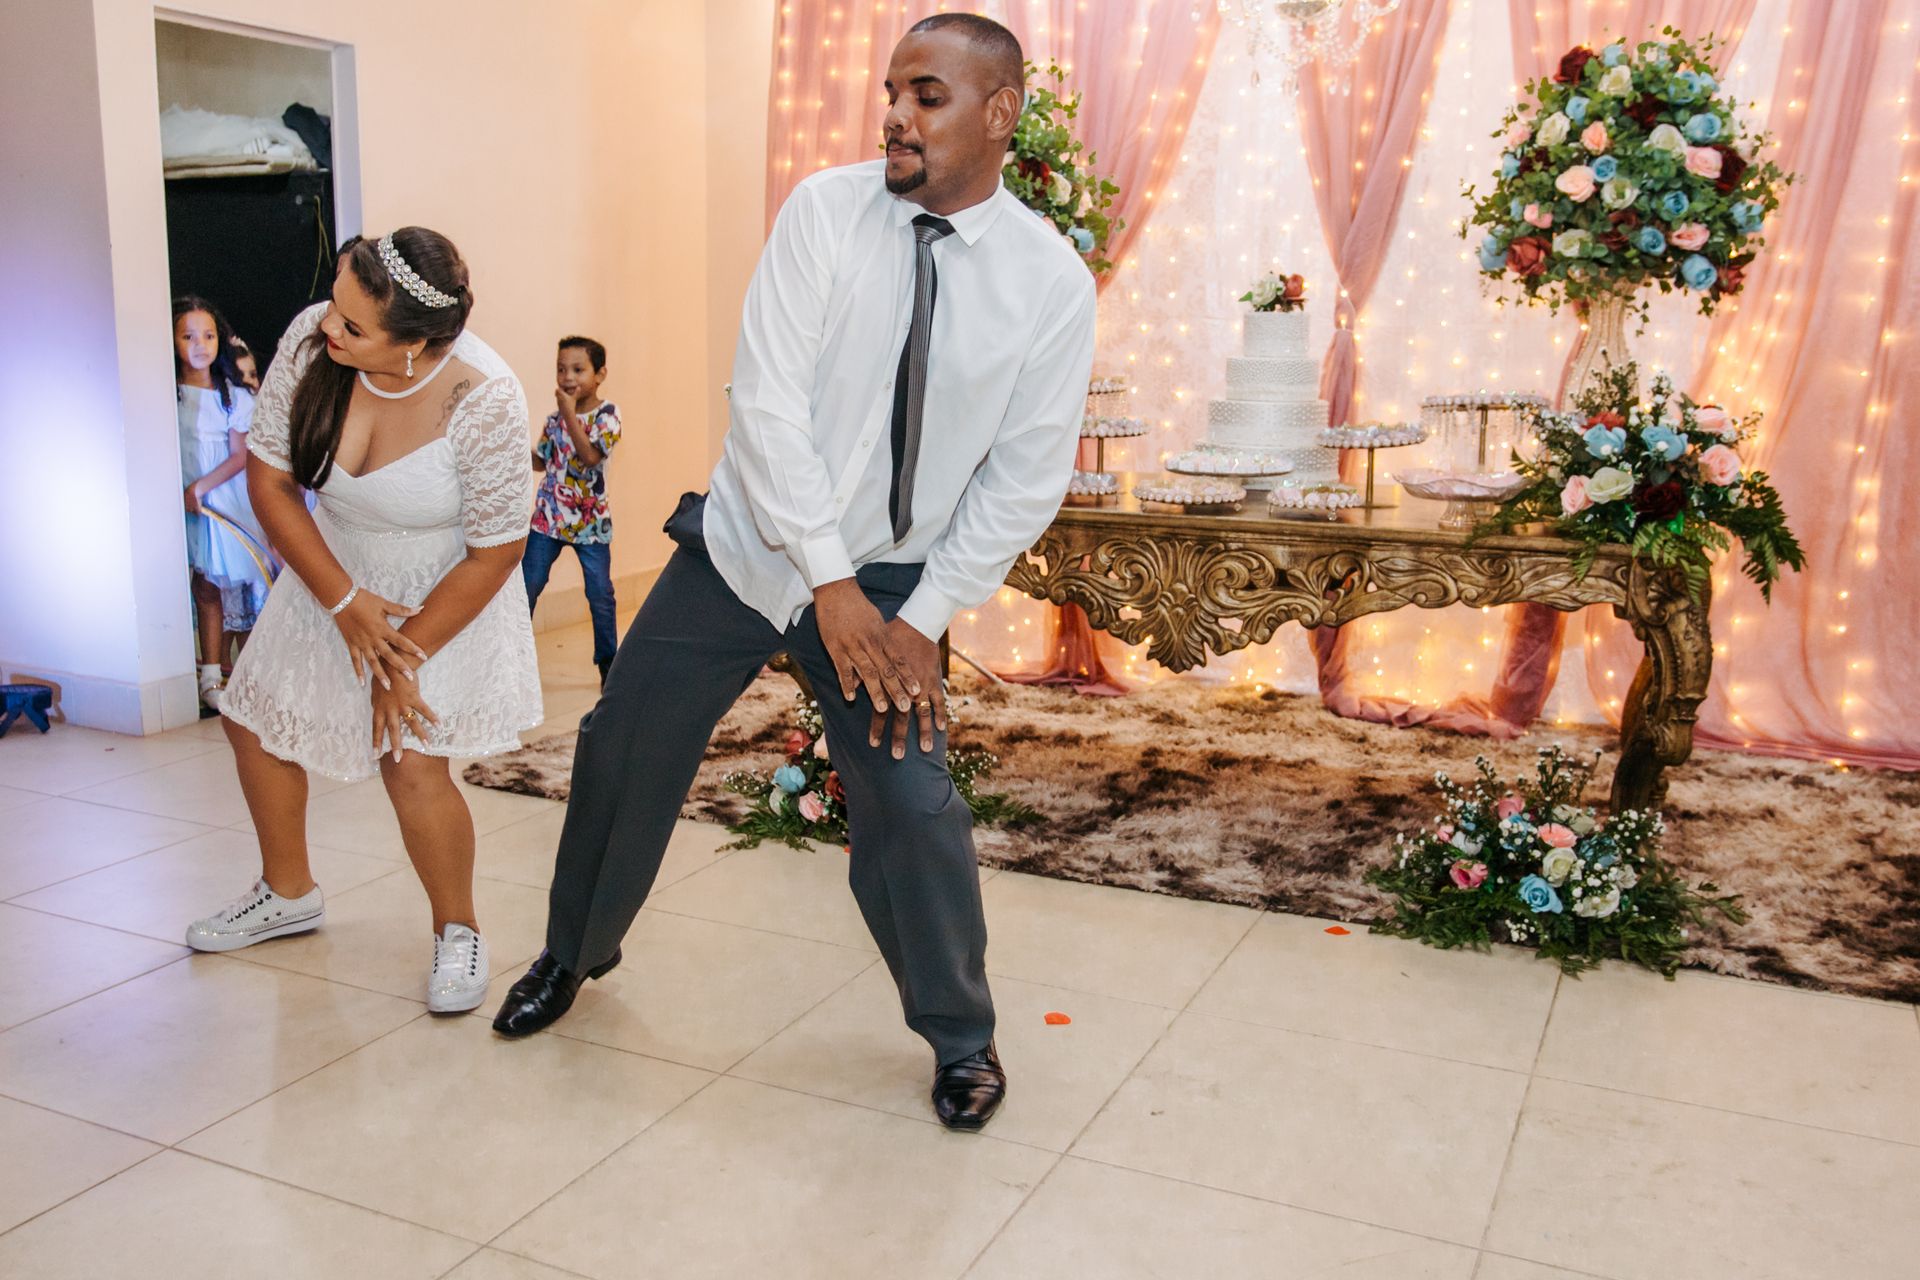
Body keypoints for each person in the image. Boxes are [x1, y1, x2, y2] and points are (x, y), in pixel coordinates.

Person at [496, 14, 1097, 1133]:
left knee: (914, 807)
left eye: (927, 96)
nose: (896, 116)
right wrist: (827, 580)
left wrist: (917, 615)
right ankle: (571, 955)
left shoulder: (1049, 283)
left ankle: (961, 1037)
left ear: (1000, 111)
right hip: (747, 551)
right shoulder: (825, 210)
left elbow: (1021, 479)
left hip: (897, 592)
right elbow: (764, 404)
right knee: (622, 744)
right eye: (891, 92)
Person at [192, 227, 542, 1016]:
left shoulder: (484, 395)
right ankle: (288, 893)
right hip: (331, 570)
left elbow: (497, 549)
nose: (328, 329)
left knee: (410, 759)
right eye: (334, 309)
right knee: (251, 720)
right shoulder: (315, 341)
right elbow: (270, 479)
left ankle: (459, 929)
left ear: (416, 345)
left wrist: (400, 659)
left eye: (353, 327)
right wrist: (344, 603)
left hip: (442, 591)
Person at [174, 296, 272, 711]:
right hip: (180, 497)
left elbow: (240, 456)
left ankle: (237, 677)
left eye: (209, 335)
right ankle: (205, 672)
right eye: (189, 335)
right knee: (198, 587)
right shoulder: (167, 395)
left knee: (223, 586)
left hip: (220, 499)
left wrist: (200, 488)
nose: (201, 344)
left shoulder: (232, 396)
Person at [522, 336, 622, 685]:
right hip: (548, 518)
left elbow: (589, 457)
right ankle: (513, 661)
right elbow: (544, 460)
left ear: (600, 374)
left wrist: (568, 412)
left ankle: (609, 665)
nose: (567, 377)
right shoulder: (553, 421)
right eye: (561, 369)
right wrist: (512, 447)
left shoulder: (608, 416)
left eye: (578, 369)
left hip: (590, 524)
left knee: (599, 593)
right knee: (527, 585)